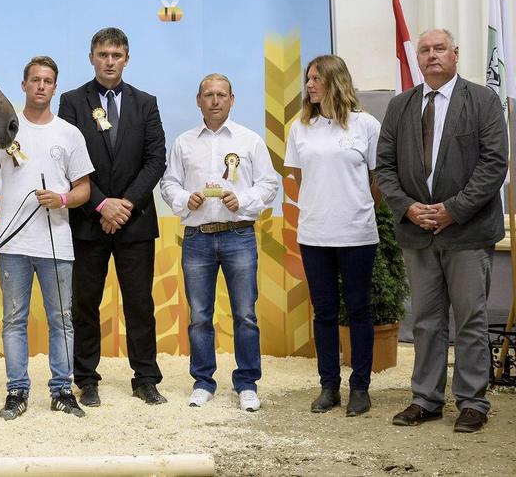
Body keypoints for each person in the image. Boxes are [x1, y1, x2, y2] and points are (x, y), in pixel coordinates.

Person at [0, 56, 94, 420]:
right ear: (23, 85)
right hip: (12, 246)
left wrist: (63, 199)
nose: (41, 86)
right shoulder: (2, 130)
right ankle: (17, 391)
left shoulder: (69, 134)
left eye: (48, 81)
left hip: (56, 244)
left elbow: (84, 189)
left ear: (55, 87)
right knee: (14, 321)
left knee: (62, 320)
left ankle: (61, 390)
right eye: (35, 80)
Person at [376, 28, 506, 434]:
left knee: (470, 319)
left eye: (439, 49)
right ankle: (426, 399)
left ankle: (472, 402)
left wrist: (452, 210)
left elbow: (493, 165)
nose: (432, 56)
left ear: (455, 54)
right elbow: (384, 167)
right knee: (427, 321)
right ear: (418, 58)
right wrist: (409, 208)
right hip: (418, 233)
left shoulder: (483, 101)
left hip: (466, 233)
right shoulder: (401, 106)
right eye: (425, 50)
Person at [58, 27, 167, 406]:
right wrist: (102, 204)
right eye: (103, 54)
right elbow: (68, 160)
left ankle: (146, 378)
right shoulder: (72, 102)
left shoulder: (146, 103)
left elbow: (156, 160)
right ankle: (86, 379)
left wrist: (124, 205)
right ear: (91, 57)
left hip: (134, 222)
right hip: (89, 221)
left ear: (127, 58)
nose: (109, 61)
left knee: (140, 303)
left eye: (116, 55)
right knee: (85, 303)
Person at [159, 73, 277, 411]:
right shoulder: (184, 142)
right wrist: (184, 199)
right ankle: (203, 381)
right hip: (197, 237)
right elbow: (169, 184)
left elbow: (269, 185)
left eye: (221, 94)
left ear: (232, 99)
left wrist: (244, 200)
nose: (215, 100)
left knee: (245, 314)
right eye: (208, 94)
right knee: (199, 315)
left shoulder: (249, 140)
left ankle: (247, 383)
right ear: (198, 100)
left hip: (239, 235)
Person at [284, 55, 381, 417]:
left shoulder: (366, 124)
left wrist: (354, 205)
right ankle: (329, 386)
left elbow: (378, 179)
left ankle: (360, 387)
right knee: (324, 312)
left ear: (335, 81)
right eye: (307, 79)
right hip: (314, 234)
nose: (309, 85)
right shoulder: (301, 128)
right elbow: (294, 175)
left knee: (359, 311)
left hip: (357, 233)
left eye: (315, 79)